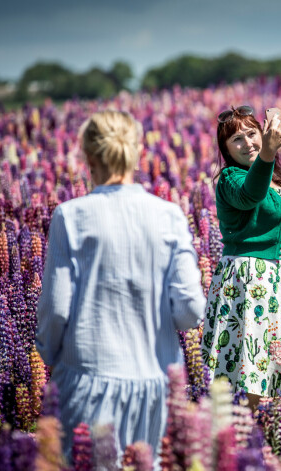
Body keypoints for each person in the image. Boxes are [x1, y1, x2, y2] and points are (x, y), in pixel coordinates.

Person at [36, 110, 206, 460]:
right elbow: (191, 310)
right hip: (156, 384)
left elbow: (55, 309)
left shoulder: (70, 216)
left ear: (89, 157)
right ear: (137, 152)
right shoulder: (169, 215)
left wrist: (51, 359)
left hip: (86, 380)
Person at [201, 106, 281, 410]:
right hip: (253, 285)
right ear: (225, 150)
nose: (248, 142)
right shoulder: (230, 180)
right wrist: (268, 152)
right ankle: (250, 435)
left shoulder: (276, 178)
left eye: (252, 134)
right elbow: (250, 195)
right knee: (255, 364)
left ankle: (279, 434)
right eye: (237, 139)